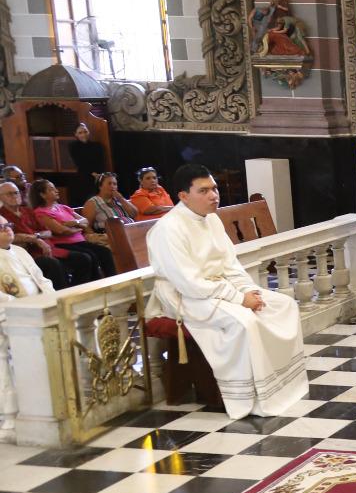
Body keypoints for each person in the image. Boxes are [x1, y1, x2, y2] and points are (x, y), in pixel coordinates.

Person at [147, 164, 309, 419]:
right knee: (243, 322)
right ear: (183, 196)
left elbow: (230, 264)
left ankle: (279, 387)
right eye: (204, 191)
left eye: (214, 188)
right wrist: (239, 299)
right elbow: (188, 282)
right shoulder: (168, 229)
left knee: (283, 305)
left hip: (219, 287)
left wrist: (249, 291)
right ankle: (245, 397)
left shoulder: (211, 219)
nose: (214, 195)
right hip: (184, 297)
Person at [0, 180, 88, 287]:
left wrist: (37, 236)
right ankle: (61, 295)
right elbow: (11, 236)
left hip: (50, 248)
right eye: (9, 193)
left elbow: (48, 232)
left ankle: (78, 291)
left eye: (16, 192)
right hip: (28, 253)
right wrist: (36, 239)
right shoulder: (1, 216)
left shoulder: (28, 211)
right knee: (53, 265)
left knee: (83, 258)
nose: (14, 196)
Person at [31, 178, 114, 280]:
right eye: (51, 189)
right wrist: (76, 227)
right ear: (42, 195)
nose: (56, 190)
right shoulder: (41, 212)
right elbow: (61, 230)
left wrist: (74, 223)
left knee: (105, 252)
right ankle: (93, 285)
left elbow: (85, 221)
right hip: (63, 244)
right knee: (89, 256)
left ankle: (112, 281)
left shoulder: (62, 207)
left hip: (80, 241)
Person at [0, 216, 53, 299]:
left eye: (8, 225)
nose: (7, 229)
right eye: (0, 227)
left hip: (41, 300)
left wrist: (50, 296)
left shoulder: (20, 250)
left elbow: (40, 279)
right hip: (13, 305)